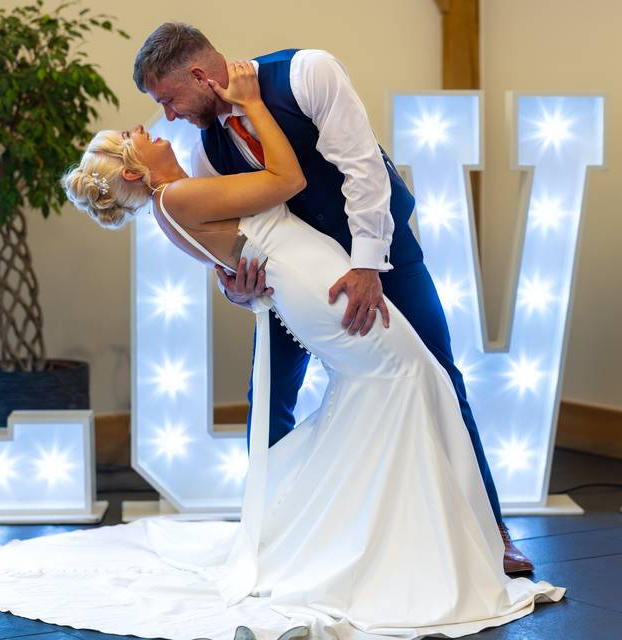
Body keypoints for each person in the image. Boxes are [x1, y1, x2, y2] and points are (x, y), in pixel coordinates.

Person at [0, 62, 563, 640]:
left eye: (162, 100)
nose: (156, 120)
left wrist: (243, 264)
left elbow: (259, 226)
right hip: (314, 286)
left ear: (193, 73)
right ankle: (369, 539)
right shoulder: (180, 191)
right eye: (138, 130)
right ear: (134, 171)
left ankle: (421, 530)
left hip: (344, 265)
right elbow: (281, 186)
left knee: (414, 383)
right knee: (401, 384)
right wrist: (246, 115)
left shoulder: (271, 102)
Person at [132, 22, 533, 573]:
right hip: (301, 282)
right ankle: (267, 536)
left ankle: (493, 530)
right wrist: (237, 286)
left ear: (200, 75)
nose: (170, 115)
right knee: (269, 394)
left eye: (169, 99)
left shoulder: (306, 72)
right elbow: (236, 236)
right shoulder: (207, 147)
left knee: (439, 375)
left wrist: (367, 263)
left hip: (383, 254)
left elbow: (362, 165)